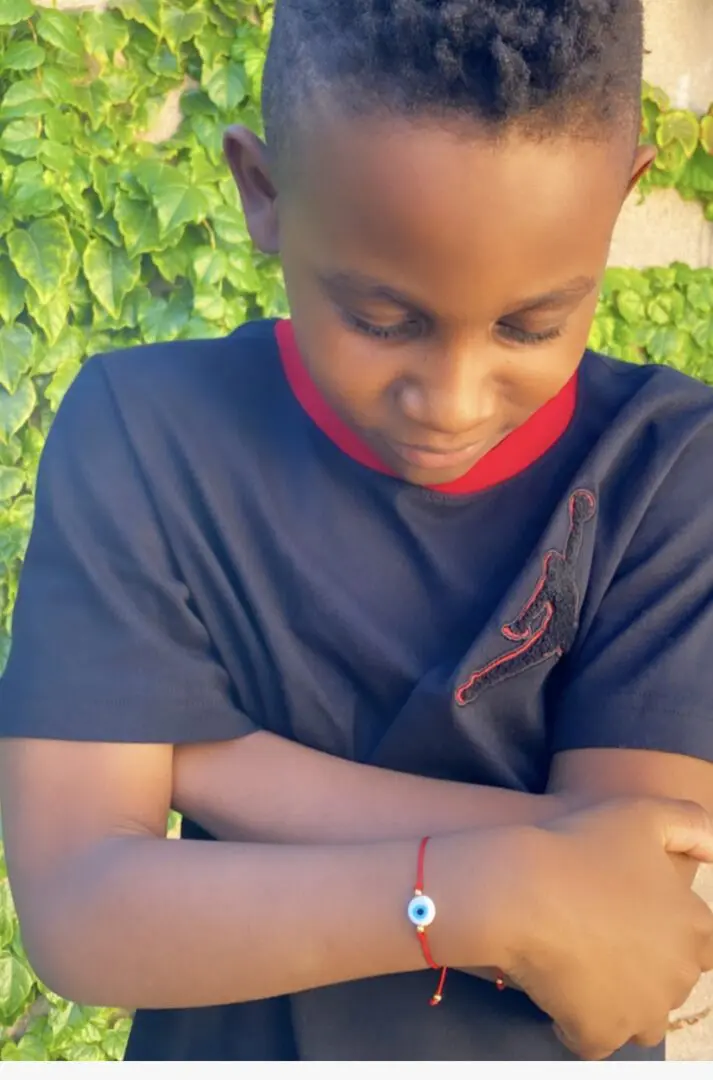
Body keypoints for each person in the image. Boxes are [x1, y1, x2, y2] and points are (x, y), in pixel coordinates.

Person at [1, 0, 713, 1063]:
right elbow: (80, 913)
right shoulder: (146, 431)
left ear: (619, 199)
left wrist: (216, 762)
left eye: (530, 325)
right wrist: (484, 891)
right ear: (262, 192)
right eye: (383, 321)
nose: (451, 401)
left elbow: (632, 917)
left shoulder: (667, 465)